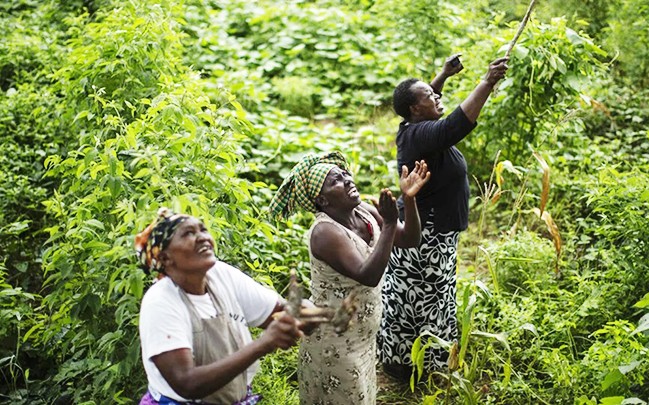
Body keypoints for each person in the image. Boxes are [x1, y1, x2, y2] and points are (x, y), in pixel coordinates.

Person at [378, 54, 509, 381]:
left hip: (434, 233)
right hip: (426, 240)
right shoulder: (423, 135)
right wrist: (487, 81)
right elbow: (453, 125)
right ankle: (410, 367)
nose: (437, 97)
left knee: (428, 298)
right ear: (415, 110)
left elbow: (426, 101)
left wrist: (443, 76)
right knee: (424, 301)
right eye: (430, 97)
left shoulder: (413, 126)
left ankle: (413, 361)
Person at [268, 151, 430, 405]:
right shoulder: (325, 233)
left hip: (362, 335)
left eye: (345, 174)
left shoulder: (363, 211)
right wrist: (389, 224)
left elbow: (410, 239)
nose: (347, 180)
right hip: (334, 340)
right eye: (336, 181)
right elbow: (368, 275)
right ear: (322, 200)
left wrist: (408, 200)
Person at [135, 208, 305, 405]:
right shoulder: (161, 301)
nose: (202, 237)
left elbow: (278, 313)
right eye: (188, 233)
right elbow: (187, 383)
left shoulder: (221, 275)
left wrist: (307, 313)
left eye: (203, 230)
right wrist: (263, 344)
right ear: (165, 258)